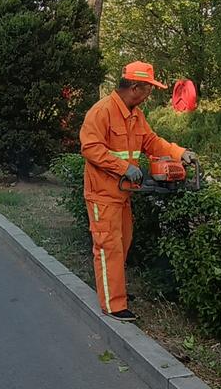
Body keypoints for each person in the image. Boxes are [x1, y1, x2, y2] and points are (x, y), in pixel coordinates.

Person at [79, 61, 197, 322]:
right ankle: (113, 304)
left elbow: (151, 142)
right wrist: (122, 167)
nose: (149, 95)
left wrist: (179, 153)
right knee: (109, 246)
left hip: (123, 194)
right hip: (103, 194)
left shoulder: (135, 115)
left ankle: (116, 290)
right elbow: (90, 148)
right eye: (148, 90)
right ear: (135, 88)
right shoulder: (102, 112)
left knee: (122, 244)